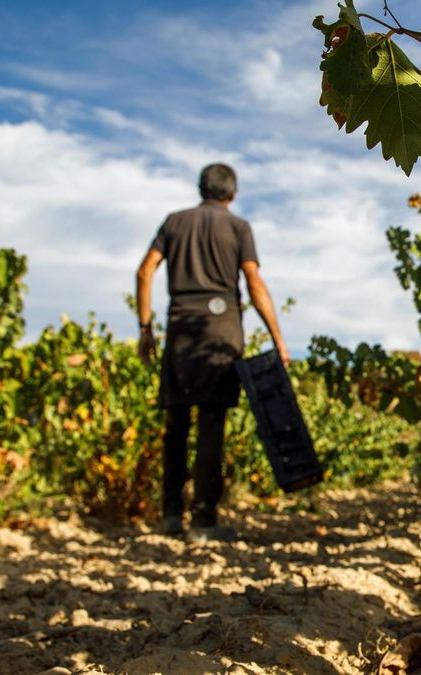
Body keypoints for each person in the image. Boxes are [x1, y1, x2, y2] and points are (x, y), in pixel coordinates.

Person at [135, 163, 290, 543]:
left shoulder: (174, 222)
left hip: (180, 330)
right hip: (221, 331)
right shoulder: (238, 228)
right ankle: (203, 520)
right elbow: (253, 280)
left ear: (201, 189)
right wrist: (278, 337)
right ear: (232, 194)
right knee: (210, 426)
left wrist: (145, 328)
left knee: (175, 425)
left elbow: (145, 271)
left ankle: (171, 513)